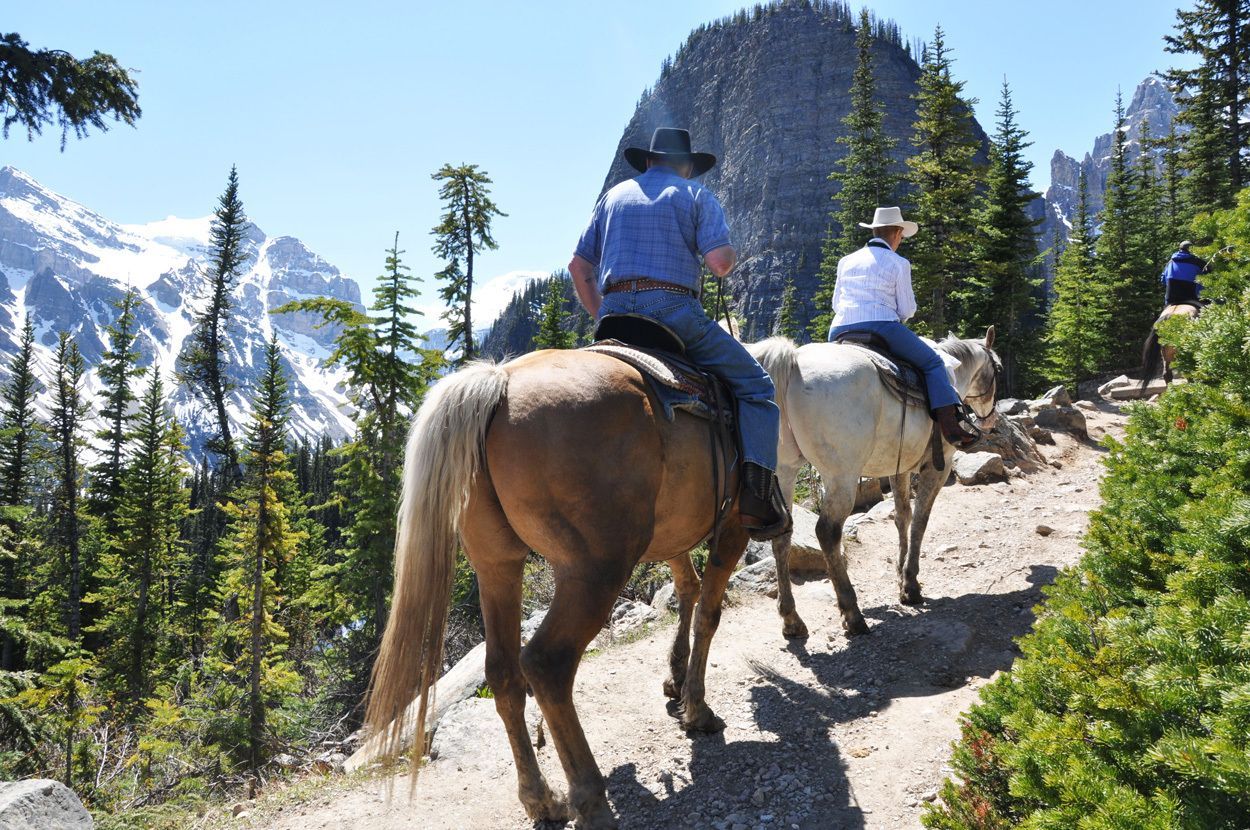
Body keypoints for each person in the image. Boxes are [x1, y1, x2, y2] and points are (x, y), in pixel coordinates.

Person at [568, 127, 790, 541]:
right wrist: (725, 252)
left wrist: (604, 315)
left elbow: (579, 269)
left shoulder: (613, 197)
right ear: (686, 166)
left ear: (649, 160)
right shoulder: (695, 196)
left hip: (614, 318)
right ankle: (757, 497)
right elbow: (721, 263)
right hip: (674, 314)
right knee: (757, 388)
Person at [826, 206, 979, 448]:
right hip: (881, 326)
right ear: (897, 233)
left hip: (840, 328)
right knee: (933, 363)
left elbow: (836, 304)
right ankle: (951, 429)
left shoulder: (846, 261)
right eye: (902, 237)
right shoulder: (898, 263)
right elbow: (906, 309)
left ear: (875, 230)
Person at [1161, 240, 1206, 306]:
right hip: (1193, 297)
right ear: (1192, 250)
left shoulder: (1170, 262)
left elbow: (1163, 280)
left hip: (1171, 298)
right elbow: (1208, 279)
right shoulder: (1199, 262)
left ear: (1180, 249)